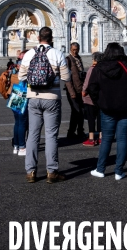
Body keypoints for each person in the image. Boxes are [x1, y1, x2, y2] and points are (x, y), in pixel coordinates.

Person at [18, 26, 72, 184]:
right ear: (51, 38)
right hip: (52, 98)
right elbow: (66, 77)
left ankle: (31, 172)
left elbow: (21, 76)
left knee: (33, 135)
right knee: (51, 135)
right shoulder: (57, 53)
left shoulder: (29, 54)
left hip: (33, 97)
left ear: (38, 37)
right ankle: (51, 171)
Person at [87, 42, 127, 180]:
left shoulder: (99, 68)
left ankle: (101, 169)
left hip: (107, 108)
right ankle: (119, 171)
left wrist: (98, 102)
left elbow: (92, 87)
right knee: (122, 138)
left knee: (106, 138)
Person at [65, 42, 86, 139]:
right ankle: (71, 132)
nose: (75, 51)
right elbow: (67, 78)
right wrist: (71, 92)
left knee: (81, 111)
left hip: (80, 88)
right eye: (73, 50)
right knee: (76, 111)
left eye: (77, 49)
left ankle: (80, 131)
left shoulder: (79, 58)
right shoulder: (68, 59)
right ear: (70, 49)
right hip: (72, 90)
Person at [82, 52, 103, 146]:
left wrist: (83, 92)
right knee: (100, 118)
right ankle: (101, 137)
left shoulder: (92, 69)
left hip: (90, 98)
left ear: (94, 59)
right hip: (101, 97)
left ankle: (91, 138)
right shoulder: (104, 68)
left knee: (91, 118)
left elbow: (87, 82)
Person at [10, 51, 28, 156]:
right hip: (23, 93)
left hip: (16, 93)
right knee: (22, 122)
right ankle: (22, 147)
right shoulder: (25, 66)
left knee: (17, 122)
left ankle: (16, 146)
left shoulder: (15, 67)